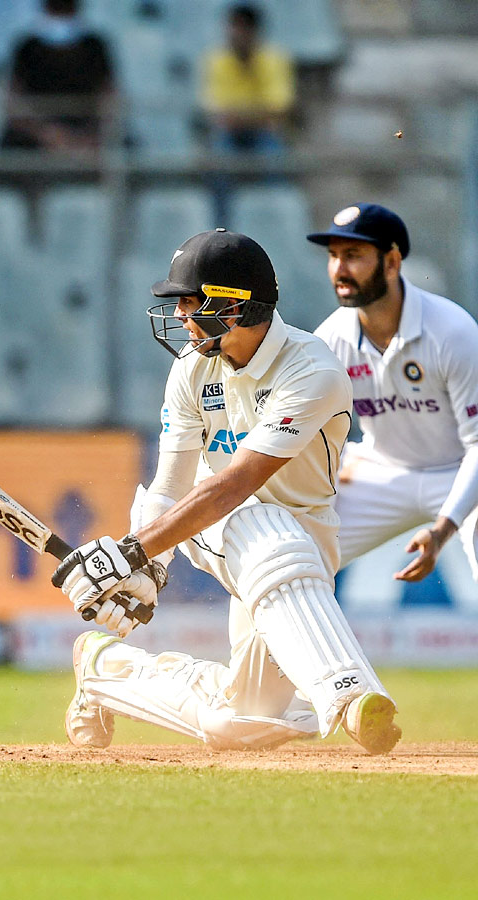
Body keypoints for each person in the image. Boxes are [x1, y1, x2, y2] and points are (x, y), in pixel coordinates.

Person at [50, 228, 401, 755]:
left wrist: (132, 553)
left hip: (302, 537)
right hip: (219, 524)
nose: (182, 318)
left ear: (233, 307)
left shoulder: (312, 369)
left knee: (239, 724)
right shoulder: (191, 370)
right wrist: (146, 560)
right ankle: (349, 696)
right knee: (267, 528)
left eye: (192, 303)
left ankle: (105, 671)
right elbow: (171, 483)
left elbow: (241, 478)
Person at [308, 203, 478, 585]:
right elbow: (307, 432)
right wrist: (332, 467)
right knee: (289, 562)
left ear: (392, 261)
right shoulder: (330, 339)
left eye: (353, 255)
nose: (339, 269)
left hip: (460, 471)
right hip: (380, 471)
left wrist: (443, 529)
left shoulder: (452, 331)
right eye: (334, 256)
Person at [0, 0, 116, 153]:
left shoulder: (95, 46)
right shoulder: (27, 47)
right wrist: (48, 134)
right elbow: (13, 102)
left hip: (89, 138)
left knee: (121, 146)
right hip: (34, 137)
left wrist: (88, 137)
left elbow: (111, 97)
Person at [199, 3, 294, 157]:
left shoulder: (275, 59)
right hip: (230, 134)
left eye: (243, 27)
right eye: (234, 27)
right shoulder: (215, 60)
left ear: (254, 30)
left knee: (275, 156)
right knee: (219, 154)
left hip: (265, 133)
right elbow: (216, 112)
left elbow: (278, 110)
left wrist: (236, 116)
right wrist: (258, 115)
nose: (237, 34)